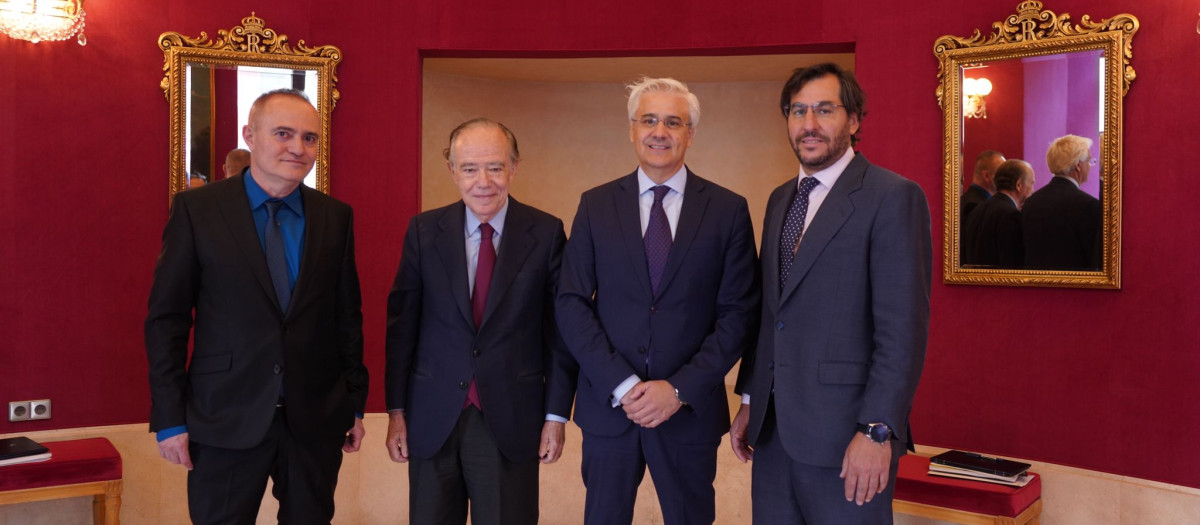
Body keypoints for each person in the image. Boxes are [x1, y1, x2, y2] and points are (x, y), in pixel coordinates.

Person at [145, 88, 368, 524]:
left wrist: (354, 404)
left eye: (309, 138)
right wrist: (170, 417)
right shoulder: (198, 210)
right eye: (283, 133)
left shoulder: (334, 216)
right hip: (225, 414)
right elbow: (166, 321)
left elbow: (346, 318)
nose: (297, 148)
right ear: (250, 135)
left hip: (314, 417)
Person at [730, 63, 931, 524]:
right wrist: (749, 400)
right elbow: (771, 315)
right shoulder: (780, 199)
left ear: (854, 120)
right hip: (775, 434)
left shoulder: (892, 196)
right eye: (798, 111)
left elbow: (903, 331)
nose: (809, 124)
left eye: (825, 110)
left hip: (848, 439)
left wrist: (876, 431)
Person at [556, 77, 759, 525]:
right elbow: (571, 303)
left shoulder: (728, 210)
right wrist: (623, 385)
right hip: (610, 411)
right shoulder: (596, 205)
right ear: (632, 129)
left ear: (690, 133)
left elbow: (739, 314)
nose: (659, 131)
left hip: (689, 414)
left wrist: (679, 389)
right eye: (649, 120)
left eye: (673, 121)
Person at [384, 118, 578, 525]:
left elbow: (560, 335)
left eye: (494, 166)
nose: (483, 181)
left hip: (511, 419)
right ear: (453, 171)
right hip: (432, 417)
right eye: (469, 168)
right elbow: (402, 327)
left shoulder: (545, 233)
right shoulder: (423, 232)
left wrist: (556, 416)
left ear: (514, 167)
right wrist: (397, 411)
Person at [1022, 134, 1102, 270]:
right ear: (1078, 165)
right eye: (1089, 160)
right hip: (1074, 286)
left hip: (1035, 285)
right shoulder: (1088, 205)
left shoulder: (1031, 203)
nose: (1090, 165)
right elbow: (1094, 259)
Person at [962, 159, 1035, 267]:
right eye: (1032, 184)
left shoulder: (978, 209)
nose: (1033, 190)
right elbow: (1011, 264)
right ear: (1019, 185)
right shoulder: (1010, 215)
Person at [961, 150, 1004, 243]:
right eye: (1002, 174)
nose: (1005, 179)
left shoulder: (972, 200)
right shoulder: (973, 205)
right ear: (987, 176)